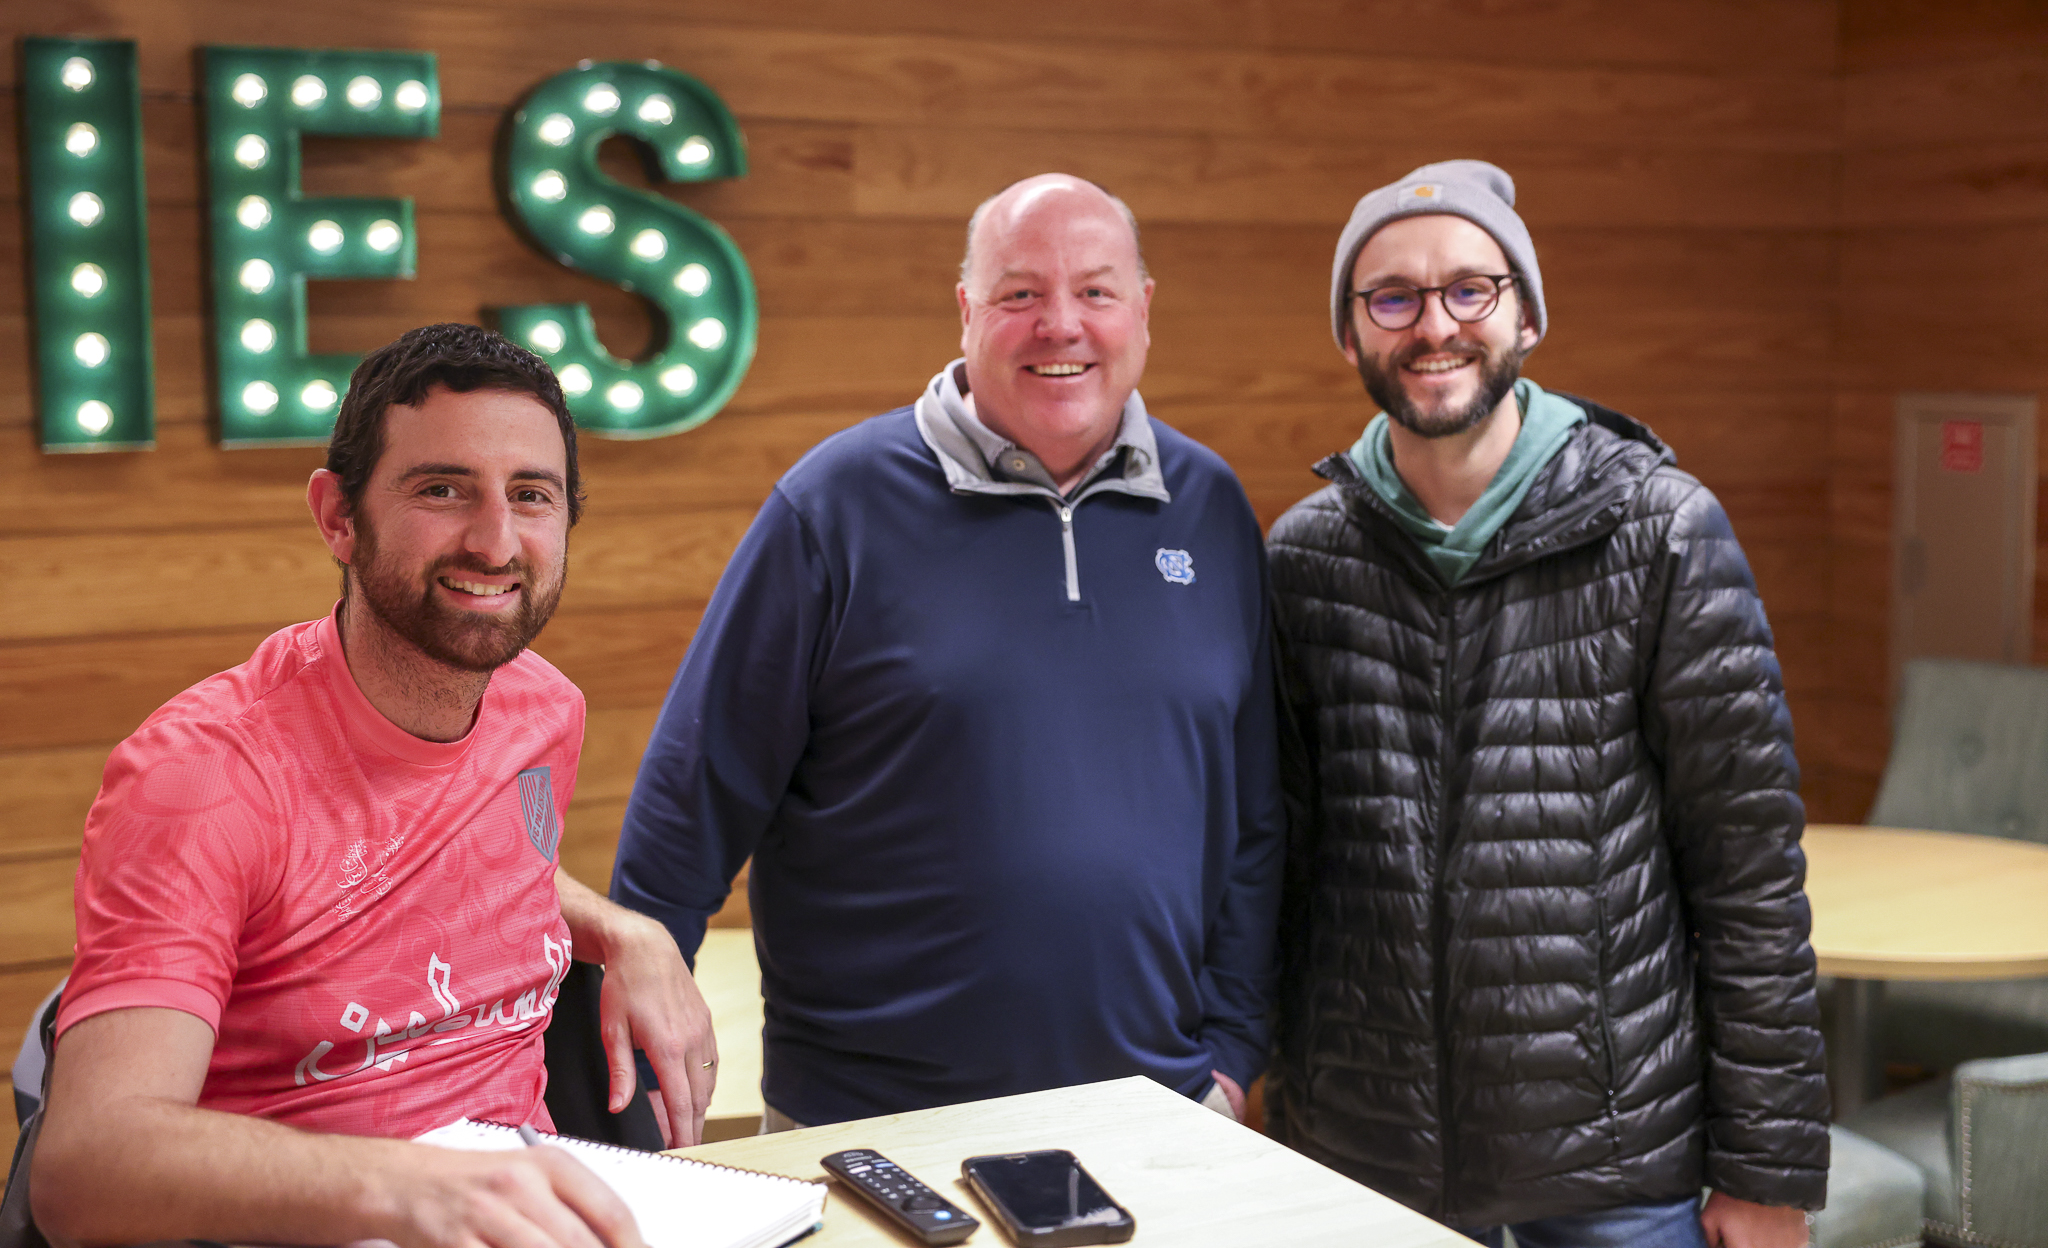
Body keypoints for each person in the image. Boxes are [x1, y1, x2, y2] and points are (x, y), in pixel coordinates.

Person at [612, 174, 1283, 1129]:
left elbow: (1253, 815)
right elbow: (693, 801)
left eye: (1095, 291)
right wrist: (639, 1062)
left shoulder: (1210, 508)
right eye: (1021, 293)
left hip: (1156, 1116)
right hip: (869, 1124)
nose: (1061, 324)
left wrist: (1233, 1052)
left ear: (1142, 311)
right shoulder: (834, 507)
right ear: (967, 310)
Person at [30, 325, 715, 1248]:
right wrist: (416, 1188)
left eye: (531, 495)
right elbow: (86, 1170)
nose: (495, 542)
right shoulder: (202, 776)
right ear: (338, 518)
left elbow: (465, 859)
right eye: (442, 489)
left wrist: (621, 928)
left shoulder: (543, 709)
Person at [1264, 162, 1828, 1248]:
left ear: (1526, 313)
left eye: (1469, 289)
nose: (1435, 326)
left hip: (1615, 1164)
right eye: (1393, 297)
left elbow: (1749, 875)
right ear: (1350, 333)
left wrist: (1766, 1170)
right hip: (1364, 1155)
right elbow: (1279, 867)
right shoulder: (1303, 559)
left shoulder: (1661, 531)